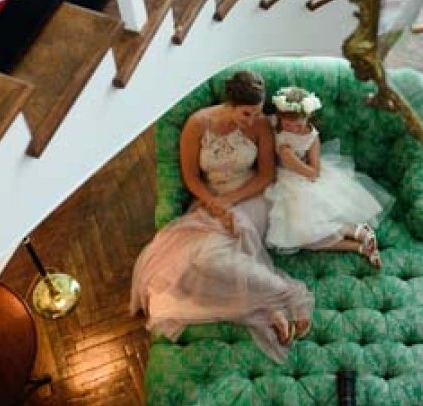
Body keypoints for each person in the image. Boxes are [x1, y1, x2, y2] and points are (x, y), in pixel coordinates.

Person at [130, 71, 314, 362]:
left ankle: (284, 296)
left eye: (257, 112)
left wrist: (229, 203)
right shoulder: (197, 125)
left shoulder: (261, 125)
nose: (253, 120)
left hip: (251, 197)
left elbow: (266, 175)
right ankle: (273, 302)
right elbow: (191, 178)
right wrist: (216, 206)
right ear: (229, 104)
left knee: (213, 256)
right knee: (198, 263)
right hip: (209, 199)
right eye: (246, 113)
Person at [264, 86, 393, 267]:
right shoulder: (273, 124)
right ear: (279, 118)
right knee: (305, 240)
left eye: (298, 125)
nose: (293, 129)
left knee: (308, 231)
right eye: (287, 125)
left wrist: (292, 161)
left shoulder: (311, 137)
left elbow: (314, 172)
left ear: (308, 117)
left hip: (303, 182)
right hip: (281, 181)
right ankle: (360, 246)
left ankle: (356, 231)